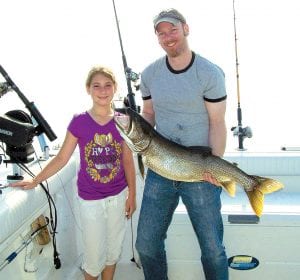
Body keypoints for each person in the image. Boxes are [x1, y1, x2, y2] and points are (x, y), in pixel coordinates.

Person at [10, 66, 136, 280]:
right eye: (96, 85)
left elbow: (127, 159)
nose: (103, 90)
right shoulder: (79, 121)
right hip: (91, 201)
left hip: (118, 196)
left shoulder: (122, 121)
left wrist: (131, 194)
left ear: (115, 88)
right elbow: (61, 158)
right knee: (94, 257)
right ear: (88, 89)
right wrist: (36, 180)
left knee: (113, 251)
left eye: (108, 85)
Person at [135, 8, 229, 280]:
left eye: (172, 30)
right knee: (146, 245)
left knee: (213, 250)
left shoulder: (209, 73)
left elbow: (217, 123)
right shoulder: (150, 74)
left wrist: (215, 165)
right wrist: (132, 132)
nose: (168, 37)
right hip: (160, 169)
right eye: (161, 33)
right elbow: (149, 114)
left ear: (185, 28)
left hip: (200, 170)